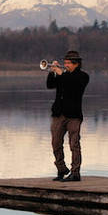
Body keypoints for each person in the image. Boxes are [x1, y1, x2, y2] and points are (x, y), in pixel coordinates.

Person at [46, 50, 89, 182]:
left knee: (74, 143)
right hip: (59, 114)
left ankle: (75, 173)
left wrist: (61, 74)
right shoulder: (62, 75)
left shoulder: (83, 76)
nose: (66, 65)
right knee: (56, 143)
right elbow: (50, 85)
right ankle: (61, 169)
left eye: (68, 63)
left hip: (74, 115)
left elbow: (72, 84)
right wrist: (52, 71)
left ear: (76, 64)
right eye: (64, 63)